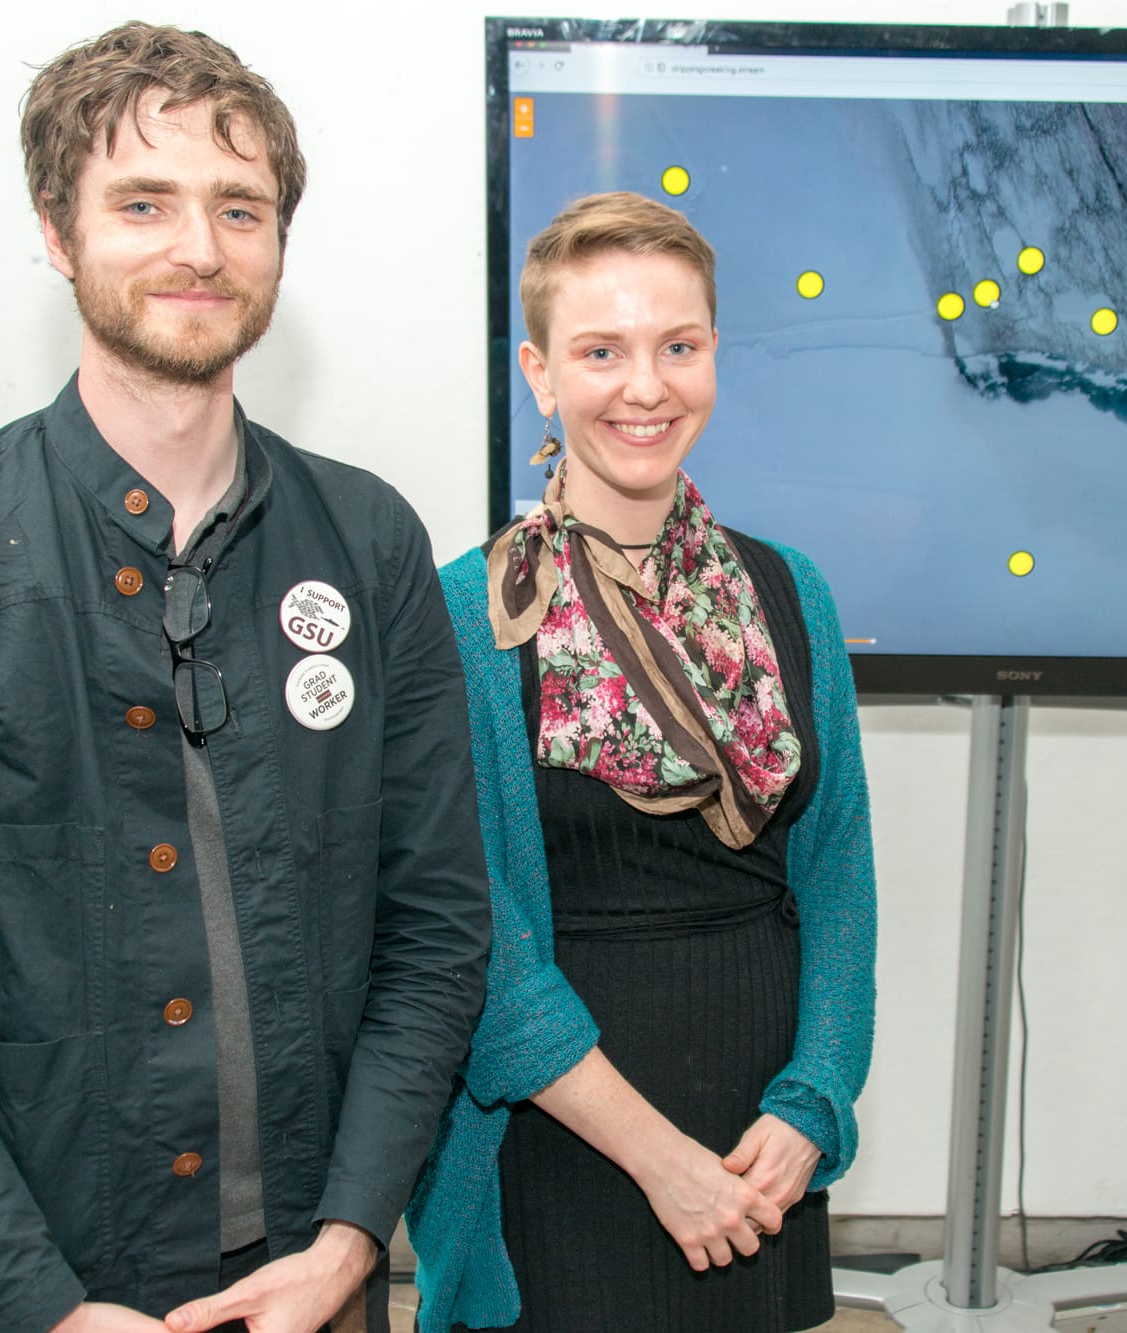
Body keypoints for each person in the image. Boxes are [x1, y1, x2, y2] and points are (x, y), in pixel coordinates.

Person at [0, 23, 491, 1333]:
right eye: (142, 203)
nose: (199, 248)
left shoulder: (370, 542)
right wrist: (43, 1309)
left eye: (239, 207)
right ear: (57, 231)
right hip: (47, 1293)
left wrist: (351, 1238)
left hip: (314, 1280)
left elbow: (436, 932)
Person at [407, 192, 877, 1333]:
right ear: (538, 373)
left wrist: (812, 1101)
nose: (646, 387)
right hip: (562, 1144)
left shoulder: (793, 592)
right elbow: (476, 936)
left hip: (762, 1144)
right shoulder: (469, 614)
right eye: (601, 352)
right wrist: (661, 1161)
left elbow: (837, 873)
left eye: (678, 346)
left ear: (714, 353)